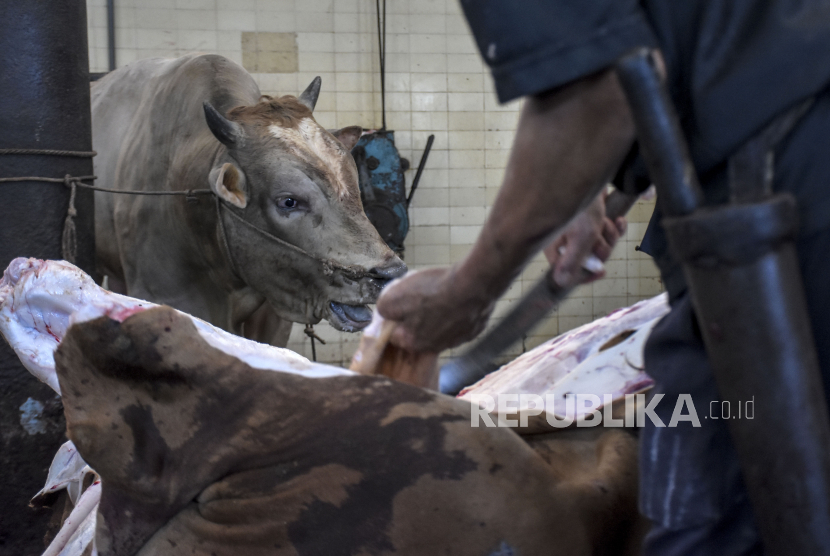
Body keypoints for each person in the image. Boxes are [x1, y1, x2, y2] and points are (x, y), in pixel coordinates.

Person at [377, 2, 830, 554]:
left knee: (717, 507)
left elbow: (599, 89)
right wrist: (592, 185)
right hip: (780, 156)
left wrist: (468, 293)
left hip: (785, 193)